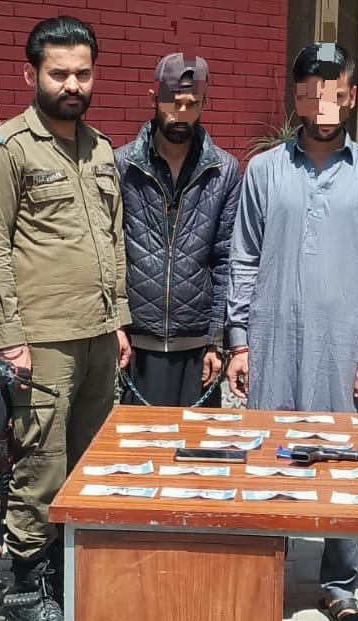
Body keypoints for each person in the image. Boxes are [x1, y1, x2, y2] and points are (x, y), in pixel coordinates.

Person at [226, 42, 358, 621]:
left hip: (345, 347)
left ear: (352, 96)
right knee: (267, 458)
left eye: (336, 92)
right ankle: (261, 573)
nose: (325, 105)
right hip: (273, 342)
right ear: (297, 98)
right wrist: (240, 342)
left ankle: (340, 586)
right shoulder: (264, 170)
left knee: (345, 462)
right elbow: (244, 257)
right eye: (312, 94)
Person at [0, 15, 132, 621]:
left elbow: (113, 240)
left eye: (82, 74)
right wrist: (10, 338)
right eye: (59, 73)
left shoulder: (101, 149)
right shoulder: (6, 150)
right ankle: (27, 587)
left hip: (98, 335)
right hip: (42, 340)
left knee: (89, 462)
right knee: (41, 464)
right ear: (31, 74)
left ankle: (70, 575)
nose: (72, 85)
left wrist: (119, 320)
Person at [116, 52, 241, 408]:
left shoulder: (224, 171)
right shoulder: (122, 165)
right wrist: (116, 325)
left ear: (204, 103)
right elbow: (110, 250)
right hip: (136, 343)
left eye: (193, 104)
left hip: (198, 348)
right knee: (139, 440)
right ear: (154, 97)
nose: (182, 113)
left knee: (196, 441)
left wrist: (217, 340)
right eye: (174, 102)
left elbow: (226, 261)